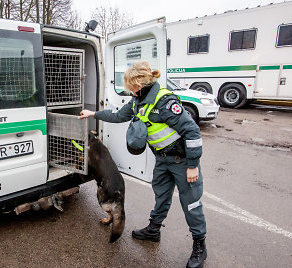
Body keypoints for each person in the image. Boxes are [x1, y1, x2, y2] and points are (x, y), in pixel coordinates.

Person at [79, 61, 207, 268]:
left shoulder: (164, 101)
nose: (129, 90)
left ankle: (199, 245)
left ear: (140, 83)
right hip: (163, 159)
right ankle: (153, 230)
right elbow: (119, 115)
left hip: (182, 161)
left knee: (191, 203)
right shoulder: (139, 100)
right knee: (161, 196)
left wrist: (192, 165)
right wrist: (93, 114)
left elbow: (192, 131)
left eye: (131, 85)